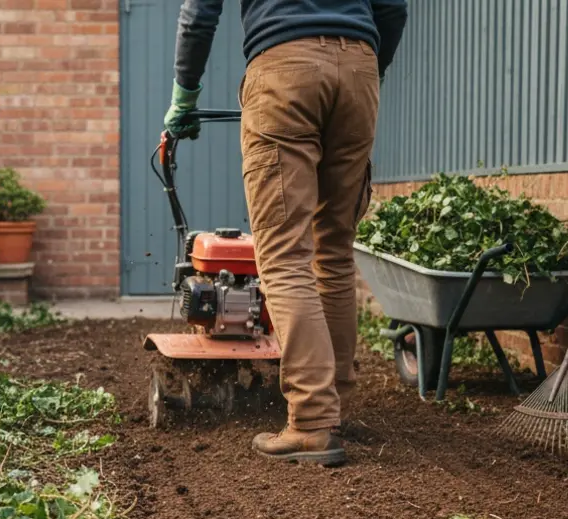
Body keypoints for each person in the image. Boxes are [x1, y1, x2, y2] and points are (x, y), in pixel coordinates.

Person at [166, 0, 407, 466]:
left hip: (285, 68)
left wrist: (185, 94)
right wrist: (367, 72)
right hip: (360, 68)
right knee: (333, 252)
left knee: (283, 256)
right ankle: (334, 405)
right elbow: (393, 8)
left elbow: (200, 12)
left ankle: (314, 421)